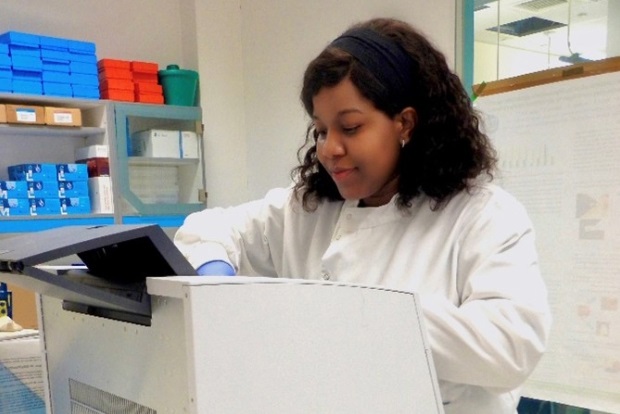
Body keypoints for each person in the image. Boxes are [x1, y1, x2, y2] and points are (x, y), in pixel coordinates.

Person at [174, 17, 551, 414]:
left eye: (350, 128)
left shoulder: (480, 215)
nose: (328, 148)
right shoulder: (309, 210)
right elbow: (208, 228)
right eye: (320, 130)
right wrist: (215, 273)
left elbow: (511, 346)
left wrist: (360, 312)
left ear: (404, 123)